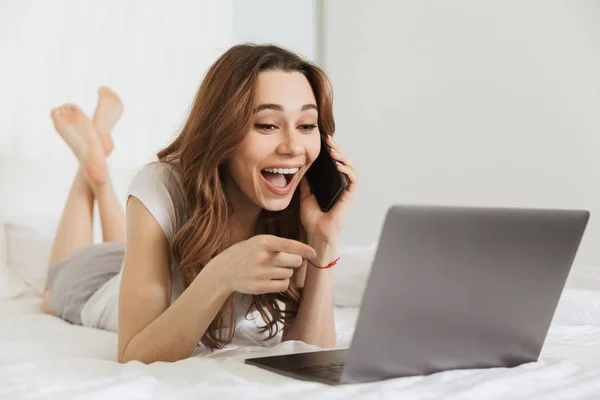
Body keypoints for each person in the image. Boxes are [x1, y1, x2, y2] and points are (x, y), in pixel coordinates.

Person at [41, 44, 357, 364]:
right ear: (223, 129)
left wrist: (324, 239)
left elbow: (310, 353)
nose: (293, 147)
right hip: (96, 282)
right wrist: (221, 274)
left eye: (306, 125)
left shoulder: (298, 210)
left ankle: (96, 160)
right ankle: (91, 171)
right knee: (50, 289)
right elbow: (133, 354)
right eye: (267, 125)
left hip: (137, 258)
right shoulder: (161, 184)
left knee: (126, 247)